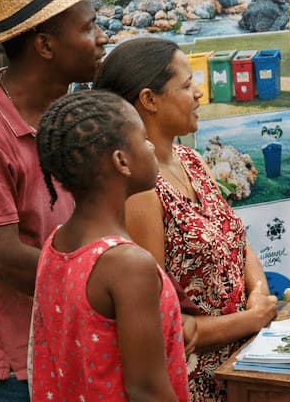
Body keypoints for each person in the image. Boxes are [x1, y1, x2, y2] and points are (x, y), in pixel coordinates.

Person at [93, 36, 278, 402]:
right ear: (149, 100)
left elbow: (235, 239)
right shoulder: (141, 191)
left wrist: (258, 292)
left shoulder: (190, 160)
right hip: (197, 382)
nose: (198, 93)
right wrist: (251, 319)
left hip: (244, 363)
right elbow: (159, 323)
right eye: (186, 84)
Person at [0, 0, 108, 401]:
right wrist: (109, 285)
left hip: (64, 341)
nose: (101, 38)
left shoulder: (71, 115)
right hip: (8, 370)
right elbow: (2, 257)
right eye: (87, 28)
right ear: (45, 46)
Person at [31, 89, 189, 402]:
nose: (150, 146)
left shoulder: (57, 243)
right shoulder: (128, 265)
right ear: (121, 161)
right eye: (143, 138)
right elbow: (147, 392)